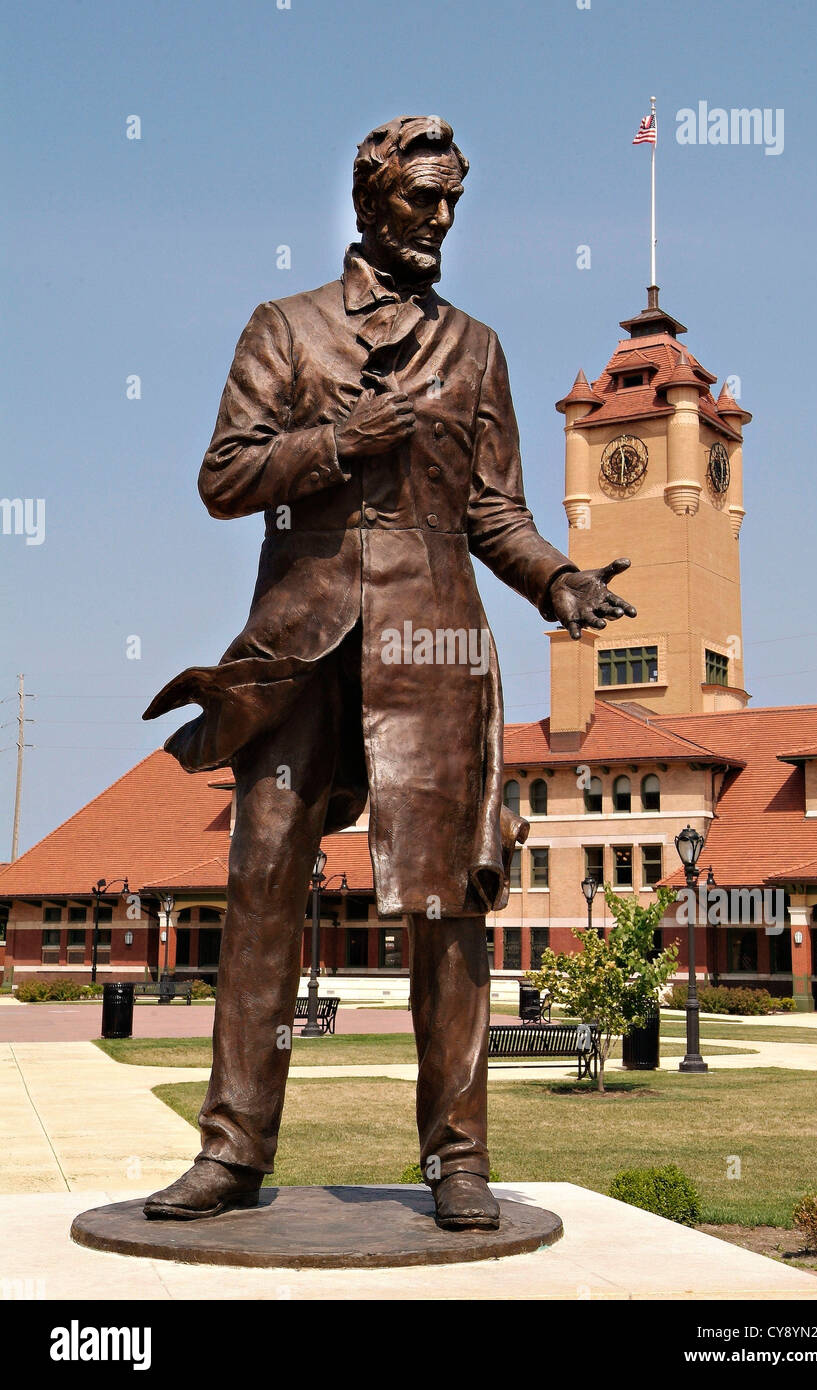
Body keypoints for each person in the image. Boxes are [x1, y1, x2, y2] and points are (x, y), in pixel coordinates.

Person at [143, 115, 635, 1230]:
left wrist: (556, 580)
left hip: (434, 644)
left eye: (455, 201)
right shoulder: (287, 328)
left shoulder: (477, 349)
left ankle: (457, 1157)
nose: (443, 220)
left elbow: (495, 511)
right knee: (261, 881)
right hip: (301, 642)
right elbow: (225, 478)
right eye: (424, 200)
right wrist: (338, 441)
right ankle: (231, 1153)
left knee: (446, 897)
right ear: (370, 203)